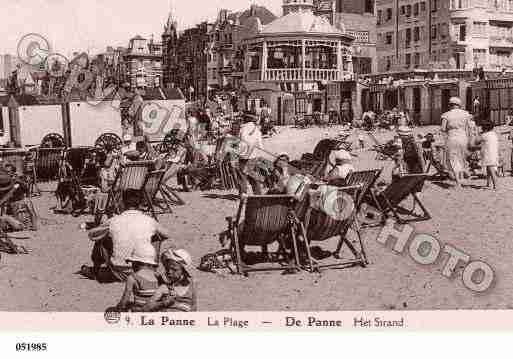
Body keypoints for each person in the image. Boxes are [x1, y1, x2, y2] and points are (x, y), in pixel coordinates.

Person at [83, 189, 171, 283]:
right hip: (144, 270)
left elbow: (92, 235)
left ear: (123, 203)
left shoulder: (114, 220)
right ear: (140, 204)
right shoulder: (149, 220)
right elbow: (167, 234)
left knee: (101, 237)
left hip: (120, 272)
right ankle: (151, 266)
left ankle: (96, 271)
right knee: (156, 237)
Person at [116, 242, 159, 312]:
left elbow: (125, 299)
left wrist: (118, 308)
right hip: (155, 310)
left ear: (136, 262)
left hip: (140, 311)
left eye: (132, 262)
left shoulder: (132, 278)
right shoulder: (157, 275)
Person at [441, 97, 472, 187]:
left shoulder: (446, 115)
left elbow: (443, 129)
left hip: (452, 138)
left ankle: (458, 181)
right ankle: (462, 177)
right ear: (459, 105)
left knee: (453, 159)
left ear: (450, 105)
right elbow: (469, 127)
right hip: (463, 137)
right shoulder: (466, 114)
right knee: (462, 158)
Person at [238, 111, 264, 195]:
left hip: (243, 156)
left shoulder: (242, 128)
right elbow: (260, 146)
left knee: (243, 176)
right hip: (253, 156)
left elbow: (241, 141)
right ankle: (258, 193)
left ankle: (243, 194)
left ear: (246, 119)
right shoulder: (257, 130)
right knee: (253, 175)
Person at [477, 121, 499, 189]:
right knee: (488, 168)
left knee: (490, 168)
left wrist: (478, 134)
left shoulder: (485, 135)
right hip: (494, 153)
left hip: (488, 153)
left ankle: (496, 185)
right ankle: (488, 183)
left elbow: (477, 141)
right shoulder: (493, 134)